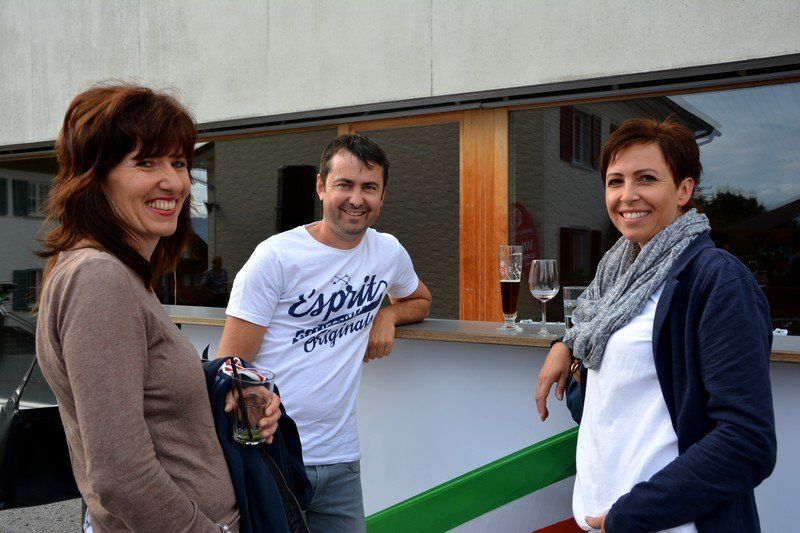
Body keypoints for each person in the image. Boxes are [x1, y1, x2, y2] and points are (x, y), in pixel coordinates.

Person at [35, 84, 281, 532]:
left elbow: (145, 395)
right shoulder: (99, 279)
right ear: (95, 176)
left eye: (179, 162)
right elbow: (121, 477)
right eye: (145, 162)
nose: (173, 181)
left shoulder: (118, 273)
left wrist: (224, 391)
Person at [535, 118, 776, 532]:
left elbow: (746, 442)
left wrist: (631, 514)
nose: (627, 195)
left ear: (684, 190)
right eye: (615, 181)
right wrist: (567, 345)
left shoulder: (717, 280)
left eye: (646, 178)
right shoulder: (615, 279)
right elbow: (617, 407)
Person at [217, 133, 432, 532]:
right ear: (321, 186)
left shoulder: (387, 252)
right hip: (274, 455)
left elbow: (420, 299)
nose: (356, 199)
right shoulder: (276, 257)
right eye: (344, 184)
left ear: (383, 195)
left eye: (369, 187)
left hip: (341, 459)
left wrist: (388, 316)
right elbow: (228, 366)